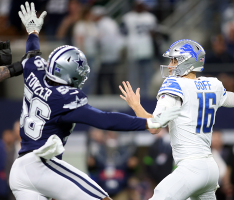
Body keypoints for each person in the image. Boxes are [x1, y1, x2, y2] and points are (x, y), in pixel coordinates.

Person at [5, 2, 180, 200]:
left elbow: (32, 52)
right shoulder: (66, 98)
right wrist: (147, 122)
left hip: (19, 172)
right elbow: (105, 120)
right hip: (40, 166)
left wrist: (33, 32)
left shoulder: (34, 72)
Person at [119, 37, 234, 199]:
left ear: (186, 62)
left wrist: (136, 106)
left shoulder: (174, 84)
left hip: (191, 168)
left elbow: (154, 127)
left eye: (174, 60)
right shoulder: (213, 84)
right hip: (210, 168)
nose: (170, 65)